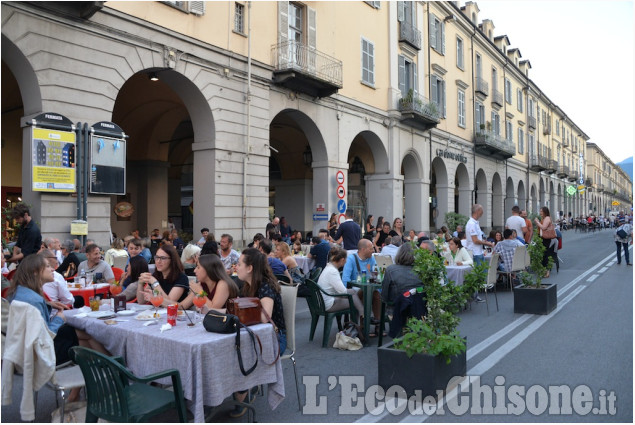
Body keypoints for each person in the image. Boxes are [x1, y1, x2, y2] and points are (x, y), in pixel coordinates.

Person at [7, 254, 108, 378]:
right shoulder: (34, 300)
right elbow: (45, 335)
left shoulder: (21, 292)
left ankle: (95, 380)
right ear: (35, 272)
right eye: (48, 266)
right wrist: (59, 318)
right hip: (40, 355)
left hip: (23, 352)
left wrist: (48, 304)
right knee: (89, 337)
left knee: (85, 340)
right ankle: (112, 371)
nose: (53, 269)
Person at [232, 248, 286, 417]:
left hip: (275, 339)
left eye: (239, 264)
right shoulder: (247, 286)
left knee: (239, 352)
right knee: (231, 349)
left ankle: (243, 390)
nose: (236, 267)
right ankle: (243, 386)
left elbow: (265, 318)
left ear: (250, 268)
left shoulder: (265, 286)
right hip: (253, 336)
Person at [317, 246, 364, 318]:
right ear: (342, 260)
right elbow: (343, 292)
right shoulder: (333, 271)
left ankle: (359, 318)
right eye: (346, 260)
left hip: (324, 301)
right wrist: (352, 292)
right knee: (356, 301)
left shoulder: (329, 268)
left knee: (355, 296)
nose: (346, 261)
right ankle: (362, 317)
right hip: (329, 304)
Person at [341, 239, 380, 322]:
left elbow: (377, 275)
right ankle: (364, 325)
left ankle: (378, 323)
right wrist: (346, 295)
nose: (373, 250)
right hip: (354, 290)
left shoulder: (372, 259)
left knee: (376, 294)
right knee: (366, 292)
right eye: (371, 248)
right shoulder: (351, 259)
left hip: (369, 288)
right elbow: (345, 279)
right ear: (363, 249)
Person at [534, 206, 557, 278]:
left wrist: (537, 222)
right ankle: (544, 270)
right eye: (540, 211)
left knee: (545, 254)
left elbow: (544, 227)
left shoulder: (547, 218)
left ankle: (547, 271)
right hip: (542, 237)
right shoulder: (544, 218)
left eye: (541, 211)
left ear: (545, 212)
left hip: (545, 238)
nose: (540, 213)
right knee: (543, 254)